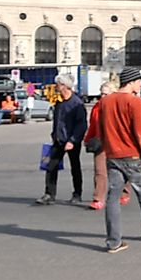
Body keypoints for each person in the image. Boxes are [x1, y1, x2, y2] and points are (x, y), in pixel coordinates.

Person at [98, 67, 141, 254]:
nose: (140, 84)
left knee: (112, 198)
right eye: (138, 81)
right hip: (132, 155)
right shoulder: (133, 102)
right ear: (131, 82)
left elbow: (102, 130)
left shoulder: (106, 101)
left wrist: (108, 148)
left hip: (112, 155)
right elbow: (140, 133)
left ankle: (113, 241)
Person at [35, 74, 88, 205]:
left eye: (58, 84)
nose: (56, 87)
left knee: (75, 167)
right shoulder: (59, 102)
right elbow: (58, 121)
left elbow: (81, 125)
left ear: (64, 86)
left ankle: (77, 194)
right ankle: (49, 194)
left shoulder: (77, 103)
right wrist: (54, 135)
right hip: (59, 140)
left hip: (71, 141)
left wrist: (72, 140)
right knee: (51, 166)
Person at [84, 81, 130, 211]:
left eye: (106, 94)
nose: (103, 97)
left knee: (122, 168)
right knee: (100, 171)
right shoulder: (97, 107)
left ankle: (125, 192)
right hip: (100, 142)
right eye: (101, 94)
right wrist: (88, 138)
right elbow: (93, 124)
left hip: (117, 142)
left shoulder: (119, 106)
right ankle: (98, 198)